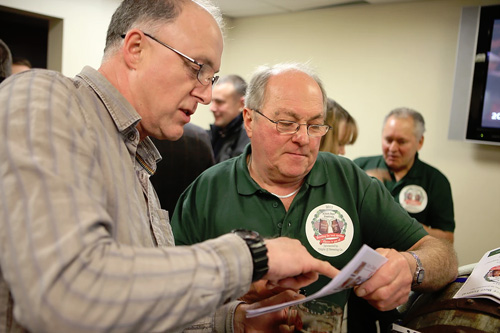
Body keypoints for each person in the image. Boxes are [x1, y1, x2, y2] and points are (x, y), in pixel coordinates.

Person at [0, 1, 339, 332]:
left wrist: (236, 319)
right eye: (197, 69)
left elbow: (134, 303)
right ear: (136, 48)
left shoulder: (135, 160)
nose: (207, 95)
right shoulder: (43, 97)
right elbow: (65, 295)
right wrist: (251, 255)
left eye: (212, 76)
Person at [171, 63, 458, 329]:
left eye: (315, 124)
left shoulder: (348, 180)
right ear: (249, 120)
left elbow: (441, 253)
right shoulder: (207, 190)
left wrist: (411, 267)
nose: (304, 138)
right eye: (287, 123)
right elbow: (166, 296)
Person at [351, 107, 456, 332]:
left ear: (419, 142)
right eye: (388, 140)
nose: (392, 148)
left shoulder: (435, 180)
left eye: (402, 141)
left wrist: (404, 226)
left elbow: (448, 238)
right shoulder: (359, 168)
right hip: (359, 282)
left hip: (408, 284)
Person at [150, 122, 215, 218]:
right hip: (189, 219)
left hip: (149, 218)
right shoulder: (199, 135)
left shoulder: (145, 135)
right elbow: (210, 188)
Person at [208, 74, 250, 162]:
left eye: (219, 102)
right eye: (213, 101)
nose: (212, 108)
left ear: (241, 104)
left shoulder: (249, 138)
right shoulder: (215, 134)